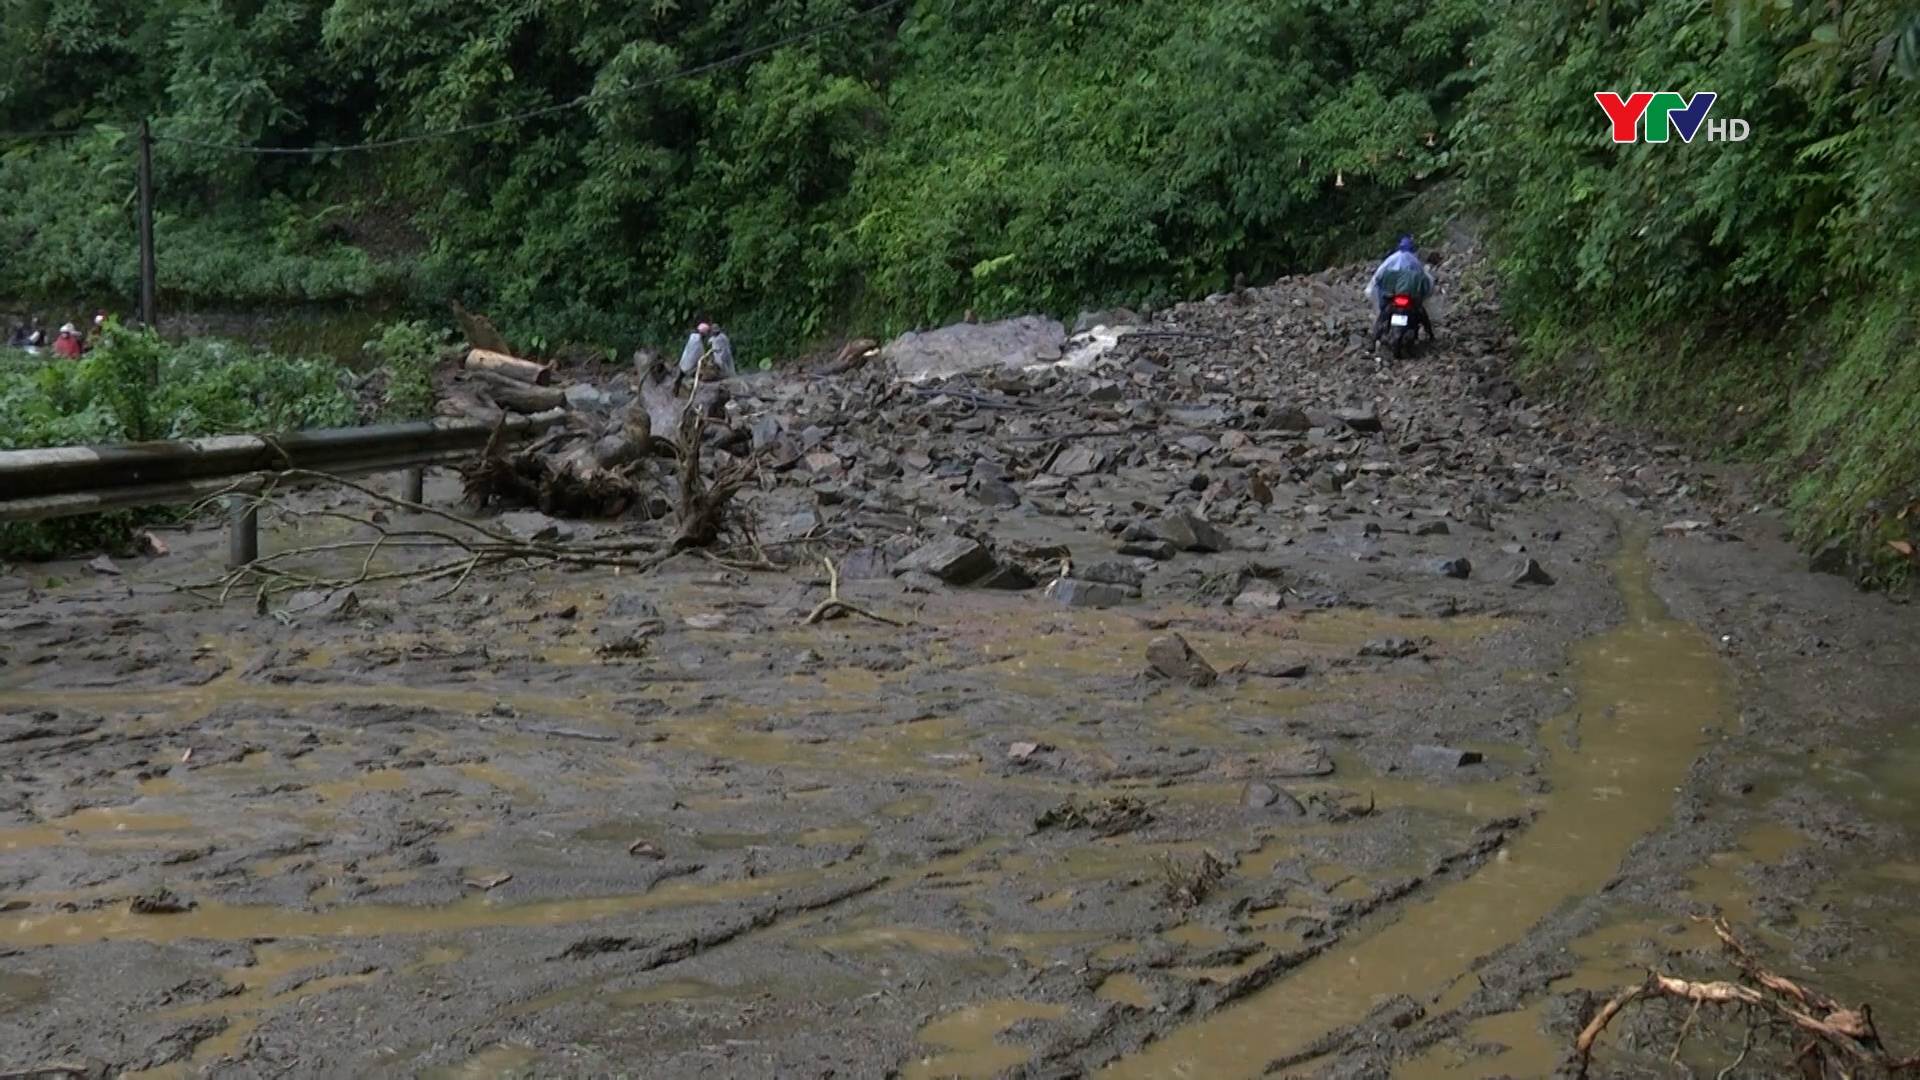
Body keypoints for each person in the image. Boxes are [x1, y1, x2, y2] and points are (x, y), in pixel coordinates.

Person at [1367, 236, 1435, 344]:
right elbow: (1427, 284)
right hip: (1410, 298)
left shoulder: (1391, 261)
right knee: (1422, 315)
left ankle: (1373, 341)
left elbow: (1378, 279)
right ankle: (1430, 335)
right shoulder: (1415, 263)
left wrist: (1383, 293)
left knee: (1382, 316)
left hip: (1393, 297)